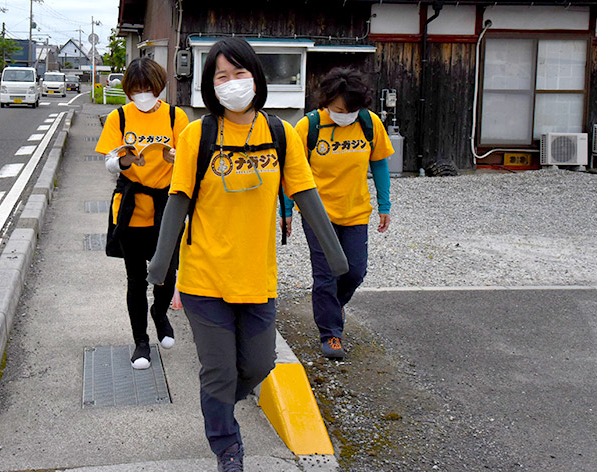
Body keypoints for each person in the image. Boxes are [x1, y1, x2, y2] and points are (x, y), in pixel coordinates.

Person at [147, 37, 347, 472]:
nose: (233, 83)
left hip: (257, 277)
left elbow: (306, 194)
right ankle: (228, 448)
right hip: (204, 277)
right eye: (222, 76)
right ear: (209, 85)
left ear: (257, 78)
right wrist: (161, 265)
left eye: (240, 73)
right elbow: (178, 202)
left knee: (257, 366)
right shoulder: (196, 135)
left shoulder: (280, 133)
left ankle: (216, 400)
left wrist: (336, 255)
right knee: (218, 372)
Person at [282, 66, 393, 360]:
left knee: (355, 271)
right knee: (326, 274)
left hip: (356, 210)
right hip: (318, 213)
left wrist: (385, 205)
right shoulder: (309, 127)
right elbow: (291, 171)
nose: (347, 114)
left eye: (353, 109)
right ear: (327, 101)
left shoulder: (369, 124)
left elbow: (379, 164)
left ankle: (333, 304)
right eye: (341, 109)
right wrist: (287, 209)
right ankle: (331, 334)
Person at [95, 58, 189, 370]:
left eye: (148, 89)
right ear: (128, 92)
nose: (143, 95)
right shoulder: (119, 116)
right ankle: (140, 342)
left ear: (159, 87)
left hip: (167, 207)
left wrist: (176, 158)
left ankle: (159, 314)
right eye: (136, 90)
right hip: (131, 208)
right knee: (135, 280)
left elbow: (190, 160)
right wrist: (124, 162)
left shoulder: (176, 116)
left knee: (165, 273)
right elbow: (109, 160)